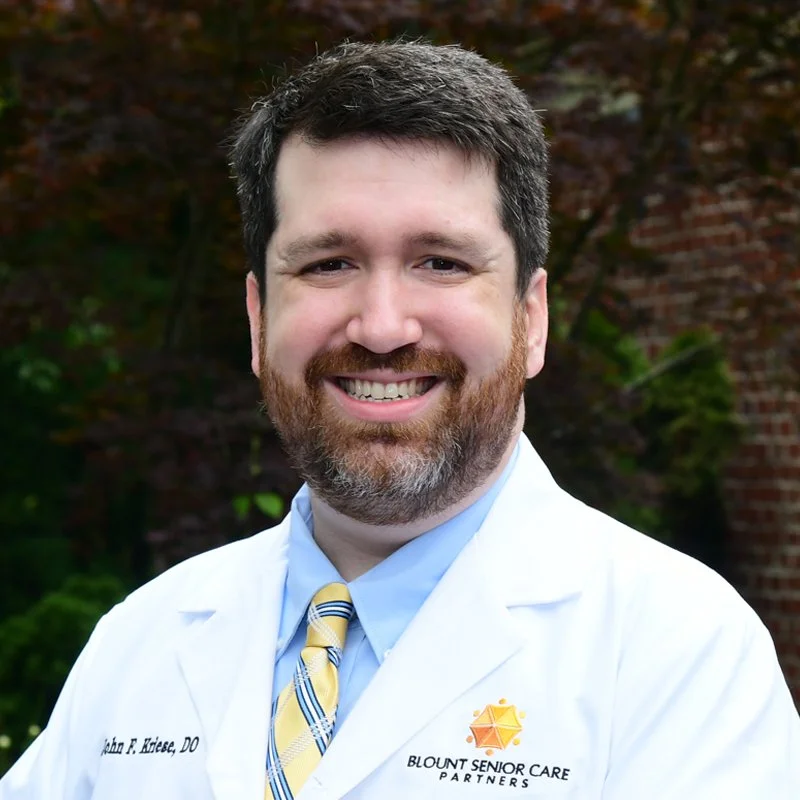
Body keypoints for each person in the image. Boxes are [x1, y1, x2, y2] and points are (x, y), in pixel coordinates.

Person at [1, 39, 799, 800]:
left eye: (441, 263)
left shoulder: (679, 656)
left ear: (533, 318)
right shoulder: (138, 643)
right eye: (329, 264)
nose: (382, 327)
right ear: (257, 318)